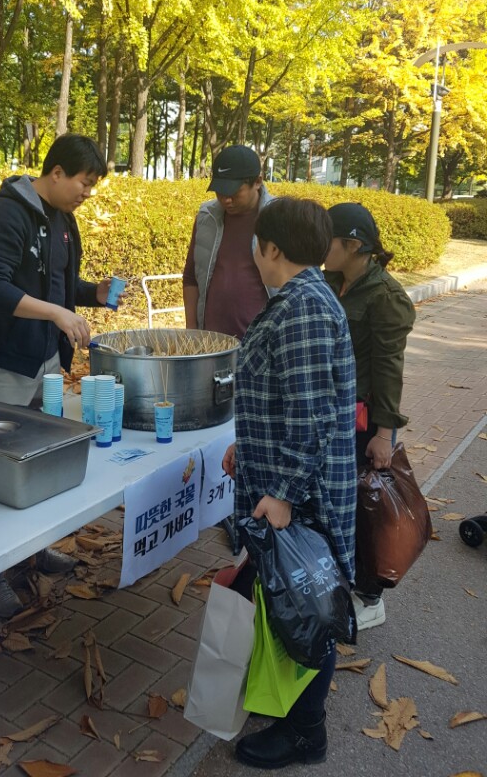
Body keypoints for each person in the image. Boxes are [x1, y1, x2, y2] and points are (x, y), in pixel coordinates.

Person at [222, 196, 356, 770]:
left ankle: (306, 733)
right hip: (288, 481)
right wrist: (244, 444)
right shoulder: (304, 298)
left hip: (301, 495)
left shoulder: (300, 308)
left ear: (270, 248)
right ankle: (285, 706)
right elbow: (288, 400)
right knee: (283, 599)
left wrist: (280, 493)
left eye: (256, 241)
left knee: (304, 608)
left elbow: (310, 417)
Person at [0, 133, 112, 617]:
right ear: (55, 173)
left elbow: (59, 286)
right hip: (8, 359)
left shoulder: (64, 219)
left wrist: (93, 293)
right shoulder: (7, 212)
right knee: (0, 466)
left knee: (39, 460)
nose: (87, 192)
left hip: (45, 359)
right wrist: (55, 314)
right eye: (84, 182)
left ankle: (30, 553)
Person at [324, 202, 416, 631]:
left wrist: (385, 433)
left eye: (329, 239)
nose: (322, 247)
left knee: (367, 506)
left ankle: (371, 597)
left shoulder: (384, 297)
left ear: (354, 244)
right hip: (333, 416)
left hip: (365, 423)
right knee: (339, 503)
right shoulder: (332, 281)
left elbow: (388, 370)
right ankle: (345, 580)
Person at [183, 145, 274, 339]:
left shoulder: (280, 218)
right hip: (210, 344)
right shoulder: (206, 217)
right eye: (219, 191)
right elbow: (191, 277)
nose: (225, 200)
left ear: (257, 182)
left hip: (261, 345)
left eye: (233, 192)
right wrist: (192, 329)